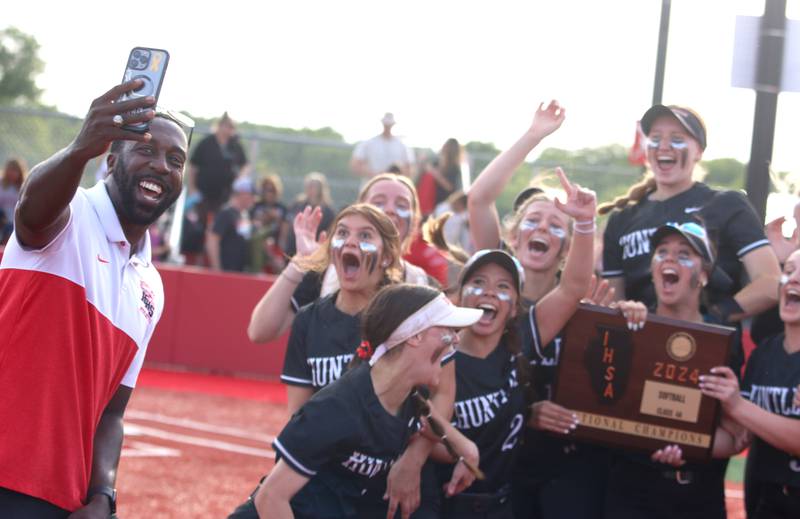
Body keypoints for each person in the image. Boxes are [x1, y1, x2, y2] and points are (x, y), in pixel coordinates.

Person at [0, 79, 189, 517]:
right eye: (145, 148)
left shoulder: (151, 288)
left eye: (175, 159)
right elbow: (31, 211)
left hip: (61, 499)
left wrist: (103, 495)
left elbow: (112, 413)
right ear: (110, 160)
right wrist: (79, 148)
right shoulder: (70, 212)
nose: (161, 165)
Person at [228, 283, 482, 519]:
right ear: (414, 336)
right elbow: (271, 498)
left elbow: (452, 446)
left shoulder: (407, 400)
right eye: (448, 331)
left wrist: (468, 452)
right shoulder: (337, 408)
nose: (456, 340)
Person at [603, 221, 744, 519]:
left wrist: (684, 444)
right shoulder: (630, 326)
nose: (669, 259)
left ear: (703, 275)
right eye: (662, 252)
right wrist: (616, 324)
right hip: (629, 495)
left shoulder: (723, 342)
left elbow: (735, 437)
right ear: (652, 272)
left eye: (684, 254)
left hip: (698, 498)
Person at [599, 104, 780, 334]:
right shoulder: (622, 219)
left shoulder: (727, 204)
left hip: (706, 351)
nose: (664, 146)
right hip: (643, 349)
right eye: (655, 138)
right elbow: (615, 300)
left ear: (699, 151)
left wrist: (709, 317)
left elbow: (771, 282)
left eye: (677, 138)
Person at [700, 248, 800, 518]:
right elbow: (741, 435)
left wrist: (738, 407)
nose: (794, 279)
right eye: (788, 271)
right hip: (764, 500)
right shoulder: (764, 354)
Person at [182, 112, 248, 265]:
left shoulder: (234, 145)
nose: (228, 130)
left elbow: (245, 164)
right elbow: (193, 167)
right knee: (199, 227)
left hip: (225, 197)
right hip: (204, 194)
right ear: (219, 126)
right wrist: (192, 189)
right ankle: (197, 259)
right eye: (226, 126)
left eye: (232, 127)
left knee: (220, 228)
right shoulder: (207, 143)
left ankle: (216, 260)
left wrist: (239, 179)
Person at [206, 176, 258, 272]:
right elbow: (212, 240)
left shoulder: (244, 215)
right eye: (252, 195)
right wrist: (217, 269)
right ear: (242, 193)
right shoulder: (226, 213)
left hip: (239, 272)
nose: (254, 199)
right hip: (226, 272)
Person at [280, 172, 336, 258]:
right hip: (292, 248)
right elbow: (286, 222)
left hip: (313, 253)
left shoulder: (327, 210)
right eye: (308, 185)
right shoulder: (298, 204)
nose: (310, 188)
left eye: (313, 186)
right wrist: (282, 240)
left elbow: (330, 232)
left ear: (320, 188)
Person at [350, 113, 415, 180]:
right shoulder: (368, 143)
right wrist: (376, 175)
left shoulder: (402, 145)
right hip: (373, 184)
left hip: (395, 185)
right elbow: (355, 165)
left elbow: (410, 168)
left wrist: (395, 175)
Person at [250, 174, 288, 273]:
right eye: (266, 190)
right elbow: (252, 224)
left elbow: (284, 230)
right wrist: (264, 218)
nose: (269, 193)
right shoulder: (256, 206)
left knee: (278, 265)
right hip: (257, 244)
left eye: (272, 190)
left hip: (275, 244)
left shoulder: (281, 208)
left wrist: (276, 217)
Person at [0, 158, 26, 243]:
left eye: (15, 171)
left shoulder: (24, 186)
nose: (12, 173)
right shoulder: (1, 184)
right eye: (10, 170)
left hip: (16, 221)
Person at [433, 138, 463, 209]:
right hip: (433, 200)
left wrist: (435, 174)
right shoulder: (437, 163)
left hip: (445, 204)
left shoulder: (454, 168)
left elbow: (449, 187)